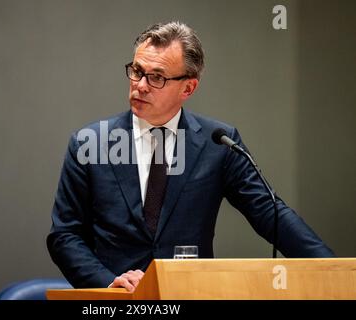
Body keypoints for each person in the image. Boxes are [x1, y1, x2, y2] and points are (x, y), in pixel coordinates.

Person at [46, 21, 334, 293]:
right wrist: (110, 283)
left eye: (156, 77)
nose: (141, 85)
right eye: (136, 71)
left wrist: (332, 270)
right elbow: (65, 236)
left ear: (188, 87)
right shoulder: (90, 143)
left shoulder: (218, 143)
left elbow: (270, 214)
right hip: (116, 302)